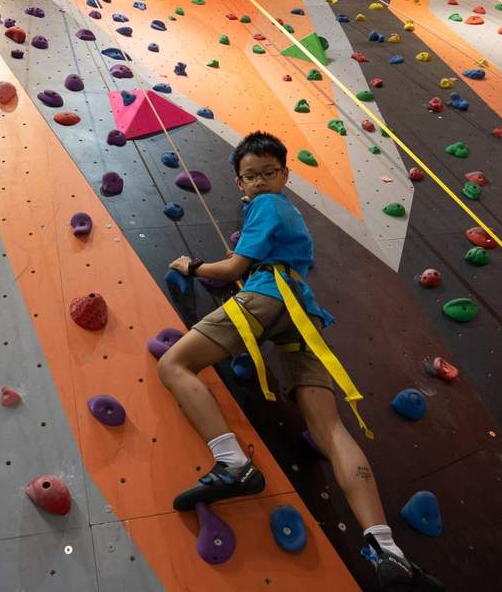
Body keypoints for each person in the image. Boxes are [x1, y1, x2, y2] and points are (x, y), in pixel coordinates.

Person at [158, 132, 443, 590]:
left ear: (284, 175)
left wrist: (190, 266)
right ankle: (385, 549)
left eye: (269, 173)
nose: (260, 181)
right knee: (331, 431)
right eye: (251, 176)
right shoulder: (286, 214)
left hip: (268, 298)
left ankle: (232, 462)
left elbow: (232, 271)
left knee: (173, 365)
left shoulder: (266, 206)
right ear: (239, 181)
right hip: (302, 314)